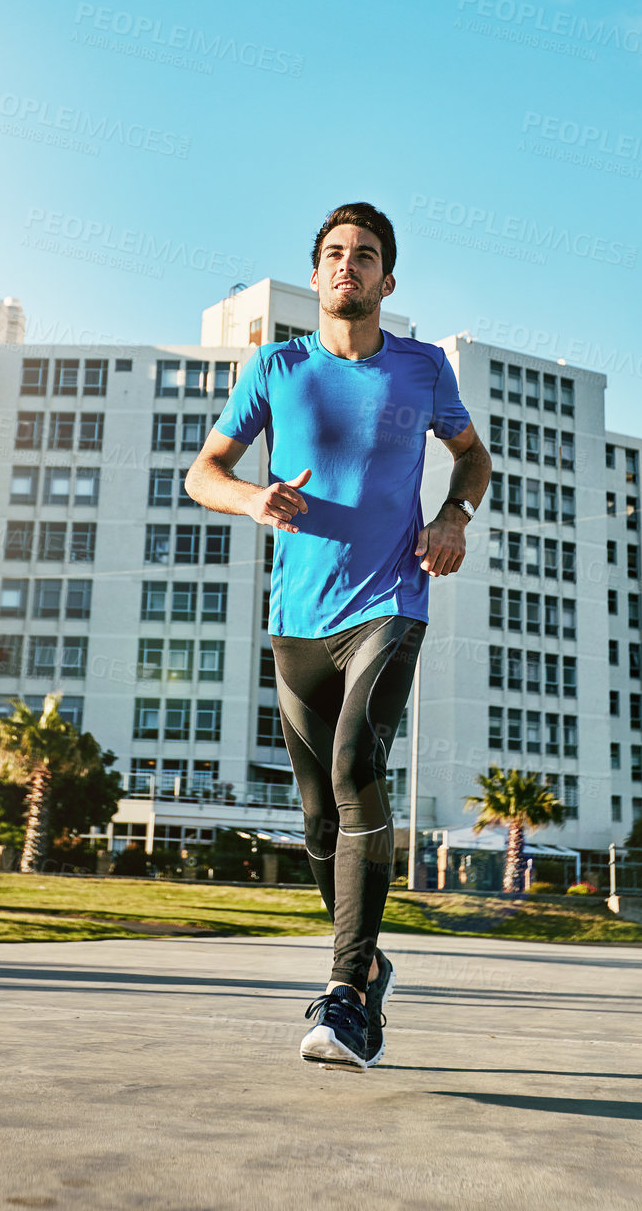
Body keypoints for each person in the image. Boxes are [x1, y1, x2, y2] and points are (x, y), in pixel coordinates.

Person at [184, 202, 491, 1069]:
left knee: (359, 764)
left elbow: (472, 457)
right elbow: (202, 472)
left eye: (363, 256)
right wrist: (253, 498)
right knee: (319, 819)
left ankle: (346, 994)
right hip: (298, 620)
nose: (346, 265)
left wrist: (453, 518)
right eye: (332, 254)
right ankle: (372, 959)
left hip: (390, 600)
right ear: (316, 276)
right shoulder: (275, 366)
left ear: (386, 281)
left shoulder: (423, 369)